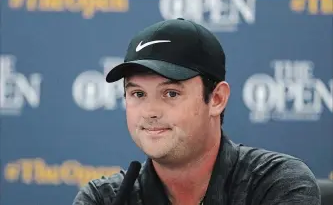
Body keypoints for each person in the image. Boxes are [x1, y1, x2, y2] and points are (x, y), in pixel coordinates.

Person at [72, 18, 321, 205]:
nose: (149, 112)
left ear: (217, 99)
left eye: (171, 93)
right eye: (138, 94)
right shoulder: (103, 199)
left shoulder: (276, 184)